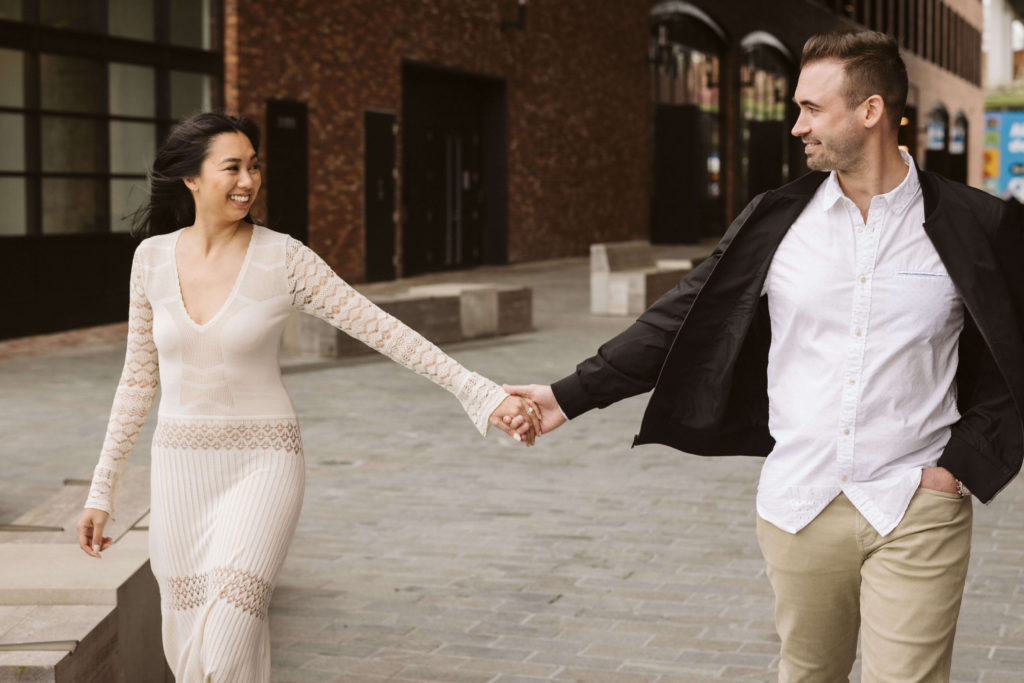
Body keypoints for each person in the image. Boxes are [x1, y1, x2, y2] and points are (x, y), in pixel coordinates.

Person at [505, 30, 1024, 681]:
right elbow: (677, 319)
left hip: (915, 505)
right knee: (808, 673)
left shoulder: (977, 224)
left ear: (870, 111)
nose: (797, 126)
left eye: (812, 108)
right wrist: (565, 396)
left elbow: (1014, 358)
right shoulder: (774, 222)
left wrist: (958, 468)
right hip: (799, 503)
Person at [75, 112, 539, 682]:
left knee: (225, 639)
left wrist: (482, 393)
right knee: (187, 646)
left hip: (263, 465)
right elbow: (137, 379)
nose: (248, 180)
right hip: (180, 472)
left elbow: (383, 330)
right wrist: (103, 490)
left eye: (255, 166)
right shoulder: (150, 260)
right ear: (191, 179)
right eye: (232, 168)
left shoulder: (283, 258)